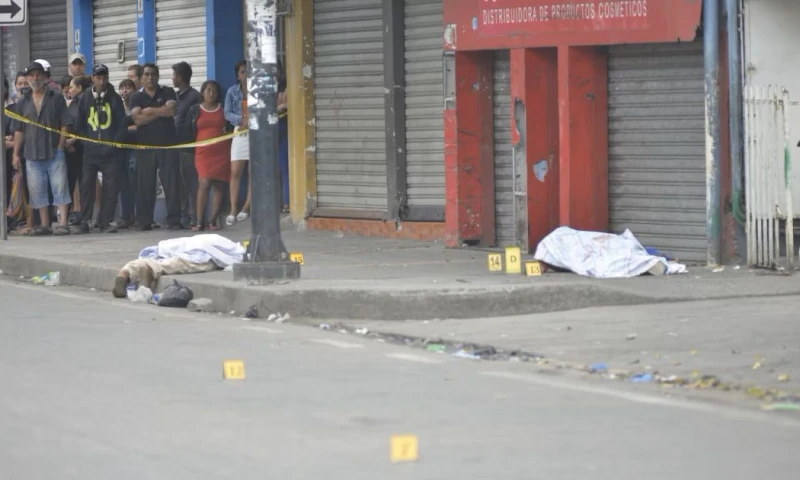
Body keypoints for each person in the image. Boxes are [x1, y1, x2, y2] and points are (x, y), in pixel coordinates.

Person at [12, 61, 73, 236]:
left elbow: (65, 123)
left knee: (60, 186)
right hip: (31, 153)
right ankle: (45, 225)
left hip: (54, 150)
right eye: (31, 75)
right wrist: (16, 154)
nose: (35, 78)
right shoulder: (23, 101)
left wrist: (61, 146)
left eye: (38, 74)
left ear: (45, 76)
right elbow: (19, 129)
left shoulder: (56, 97)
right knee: (37, 189)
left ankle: (63, 223)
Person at [72, 64, 128, 234]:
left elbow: (121, 123)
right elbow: (79, 124)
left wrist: (115, 142)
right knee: (86, 186)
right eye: (98, 77)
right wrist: (86, 142)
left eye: (104, 77)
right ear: (93, 79)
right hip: (91, 152)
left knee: (111, 187)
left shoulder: (115, 98)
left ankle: (105, 221)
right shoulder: (85, 98)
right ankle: (85, 220)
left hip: (110, 152)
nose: (101, 81)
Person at [130, 63, 182, 231]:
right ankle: (144, 221)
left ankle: (174, 221)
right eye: (146, 74)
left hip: (168, 146)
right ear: (141, 78)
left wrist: (150, 110)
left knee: (172, 185)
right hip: (146, 148)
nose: (150, 77)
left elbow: (171, 112)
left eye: (153, 74)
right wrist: (160, 112)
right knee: (145, 185)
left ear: (158, 76)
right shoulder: (137, 97)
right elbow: (137, 120)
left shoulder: (167, 91)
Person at [186, 80, 230, 231]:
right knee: (204, 183)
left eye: (214, 91)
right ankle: (199, 220)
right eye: (208, 90)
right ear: (203, 92)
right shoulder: (195, 110)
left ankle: (212, 220)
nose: (212, 94)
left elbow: (230, 126)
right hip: (203, 153)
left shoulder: (223, 108)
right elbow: (187, 129)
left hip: (222, 151)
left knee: (219, 185)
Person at [172, 61, 201, 227]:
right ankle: (184, 215)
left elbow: (194, 123)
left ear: (181, 77)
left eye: (175, 75)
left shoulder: (194, 97)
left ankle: (195, 216)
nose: (172, 78)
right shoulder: (175, 97)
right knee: (179, 184)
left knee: (191, 184)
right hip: (175, 146)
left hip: (188, 147)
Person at [224, 60, 250, 226]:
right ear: (238, 75)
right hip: (240, 131)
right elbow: (227, 113)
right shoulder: (232, 92)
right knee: (235, 171)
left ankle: (246, 207)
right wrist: (241, 120)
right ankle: (233, 208)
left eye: (248, 71)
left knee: (255, 173)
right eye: (242, 72)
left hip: (258, 133)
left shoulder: (259, 91)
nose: (246, 75)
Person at [65, 75, 92, 224]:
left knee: (85, 184)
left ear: (80, 88)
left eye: (72, 86)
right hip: (71, 151)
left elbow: (87, 128)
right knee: (70, 183)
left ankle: (84, 216)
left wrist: (73, 140)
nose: (70, 89)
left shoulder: (86, 102)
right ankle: (69, 214)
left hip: (83, 150)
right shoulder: (73, 103)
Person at [117, 78, 138, 228]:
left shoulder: (138, 108)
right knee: (124, 185)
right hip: (120, 151)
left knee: (135, 184)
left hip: (135, 150)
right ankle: (126, 216)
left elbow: (139, 127)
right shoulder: (117, 108)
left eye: (128, 87)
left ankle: (137, 216)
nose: (125, 90)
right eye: (122, 88)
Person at [277, 60, 289, 213]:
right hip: (268, 131)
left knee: (284, 166)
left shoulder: (286, 86)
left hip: (283, 127)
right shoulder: (262, 89)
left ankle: (286, 202)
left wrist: (280, 107)